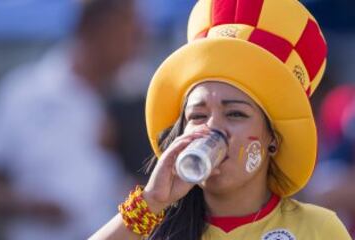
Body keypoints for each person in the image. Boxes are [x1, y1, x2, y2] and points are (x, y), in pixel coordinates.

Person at [90, 0, 352, 239]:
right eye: (198, 115)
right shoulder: (151, 227)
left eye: (235, 114)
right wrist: (151, 201)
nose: (212, 127)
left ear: (272, 137)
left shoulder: (318, 229)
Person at [0, 0, 136, 239]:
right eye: (128, 35)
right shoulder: (25, 93)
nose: (133, 48)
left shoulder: (134, 94)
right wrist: (32, 205)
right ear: (94, 31)